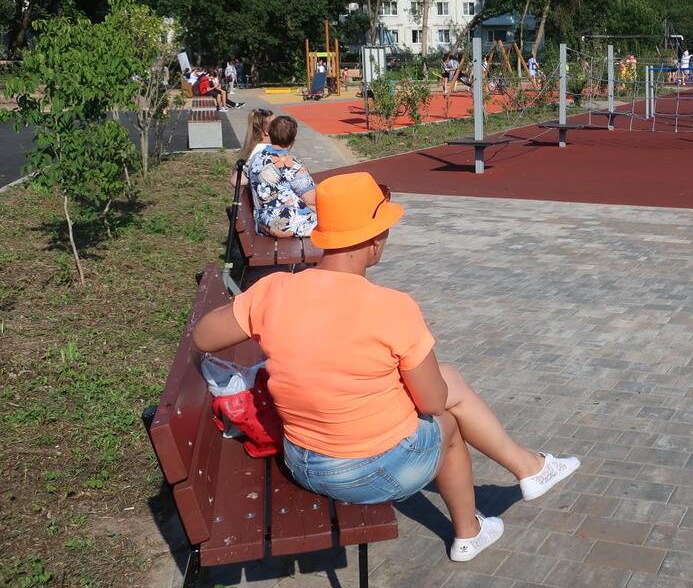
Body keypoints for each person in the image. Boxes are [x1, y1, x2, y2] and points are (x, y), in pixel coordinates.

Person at [192, 173, 580, 562]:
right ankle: (471, 531)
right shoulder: (392, 307)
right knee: (447, 423)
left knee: (445, 379)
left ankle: (530, 468)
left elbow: (204, 337)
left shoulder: (274, 290)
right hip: (365, 472)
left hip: (301, 459)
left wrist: (260, 315)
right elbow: (432, 402)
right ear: (374, 242)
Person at [247, 116, 318, 237]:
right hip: (289, 224)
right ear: (293, 140)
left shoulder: (255, 158)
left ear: (270, 134)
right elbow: (312, 201)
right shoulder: (293, 166)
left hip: (264, 222)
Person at [231, 108, 274, 187]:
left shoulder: (253, 147)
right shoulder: (266, 151)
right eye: (277, 124)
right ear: (267, 131)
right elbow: (235, 180)